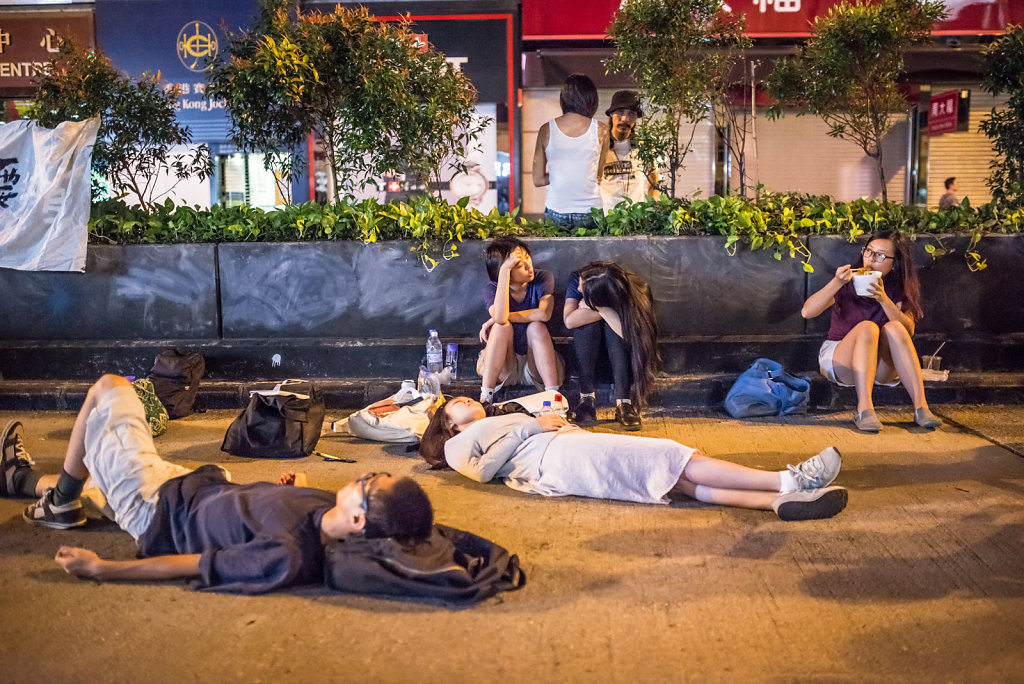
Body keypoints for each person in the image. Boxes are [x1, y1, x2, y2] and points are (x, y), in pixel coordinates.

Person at [0, 374, 434, 594]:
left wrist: (100, 569)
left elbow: (193, 564)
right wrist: (293, 486)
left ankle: (59, 502)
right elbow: (294, 509)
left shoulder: (288, 554)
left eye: (371, 482)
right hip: (198, 485)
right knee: (98, 476)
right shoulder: (330, 512)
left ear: (359, 519)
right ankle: (27, 482)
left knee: (109, 389)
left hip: (155, 507)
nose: (364, 474)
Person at [418, 397, 849, 522]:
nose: (465, 398)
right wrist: (530, 427)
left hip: (566, 454)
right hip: (560, 454)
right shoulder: (460, 443)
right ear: (447, 425)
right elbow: (480, 472)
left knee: (673, 480)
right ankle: (789, 480)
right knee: (668, 455)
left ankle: (775, 503)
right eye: (455, 403)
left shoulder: (494, 418)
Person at [801, 231, 942, 433]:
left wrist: (883, 298)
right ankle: (864, 410)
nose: (871, 259)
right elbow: (807, 311)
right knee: (868, 327)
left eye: (880, 256)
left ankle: (921, 408)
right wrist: (837, 282)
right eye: (869, 251)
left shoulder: (898, 287)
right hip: (841, 361)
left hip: (880, 366)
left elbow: (908, 330)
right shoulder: (847, 280)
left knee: (894, 327)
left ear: (894, 263)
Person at [563, 261, 658, 430]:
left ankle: (624, 402)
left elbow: (633, 337)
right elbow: (570, 321)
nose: (578, 290)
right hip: (588, 354)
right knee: (585, 325)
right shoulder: (577, 278)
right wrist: (606, 310)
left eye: (582, 289)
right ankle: (586, 399)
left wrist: (602, 310)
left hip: (622, 357)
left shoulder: (638, 290)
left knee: (614, 326)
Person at [477, 236, 563, 404]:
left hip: (536, 364)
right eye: (517, 265)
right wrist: (504, 273)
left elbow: (544, 314)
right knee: (502, 327)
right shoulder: (491, 289)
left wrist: (493, 320)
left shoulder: (543, 278)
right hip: (504, 367)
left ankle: (554, 398)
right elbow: (501, 320)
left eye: (527, 258)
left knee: (536, 326)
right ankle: (486, 398)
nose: (528, 266)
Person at [533, 73, 608, 230]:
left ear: (564, 98)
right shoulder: (601, 130)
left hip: (556, 209)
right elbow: (598, 176)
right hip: (591, 211)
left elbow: (538, 180)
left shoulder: (546, 130)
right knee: (592, 255)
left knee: (556, 255)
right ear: (592, 99)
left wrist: (560, 174)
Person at [599, 90, 658, 212]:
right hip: (607, 218)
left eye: (631, 113)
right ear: (611, 114)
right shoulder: (600, 145)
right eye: (620, 112)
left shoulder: (644, 146)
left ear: (636, 117)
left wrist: (653, 205)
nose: (625, 119)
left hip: (637, 218)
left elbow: (654, 177)